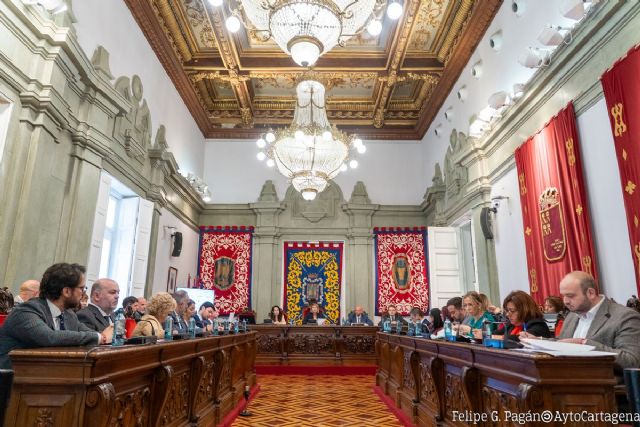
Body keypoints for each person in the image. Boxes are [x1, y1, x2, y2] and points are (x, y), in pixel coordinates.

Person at [0, 263, 113, 369]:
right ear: (66, 291)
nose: (84, 293)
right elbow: (49, 337)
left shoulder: (69, 315)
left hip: (51, 377)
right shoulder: (26, 311)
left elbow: (88, 333)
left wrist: (105, 335)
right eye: (82, 288)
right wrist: (100, 337)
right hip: (13, 383)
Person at [542, 271, 640, 370]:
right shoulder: (572, 315)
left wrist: (584, 344)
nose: (565, 301)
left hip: (604, 382)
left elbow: (631, 361)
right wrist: (536, 340)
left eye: (570, 296)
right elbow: (562, 342)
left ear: (591, 293)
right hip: (567, 377)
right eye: (563, 296)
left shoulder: (625, 316)